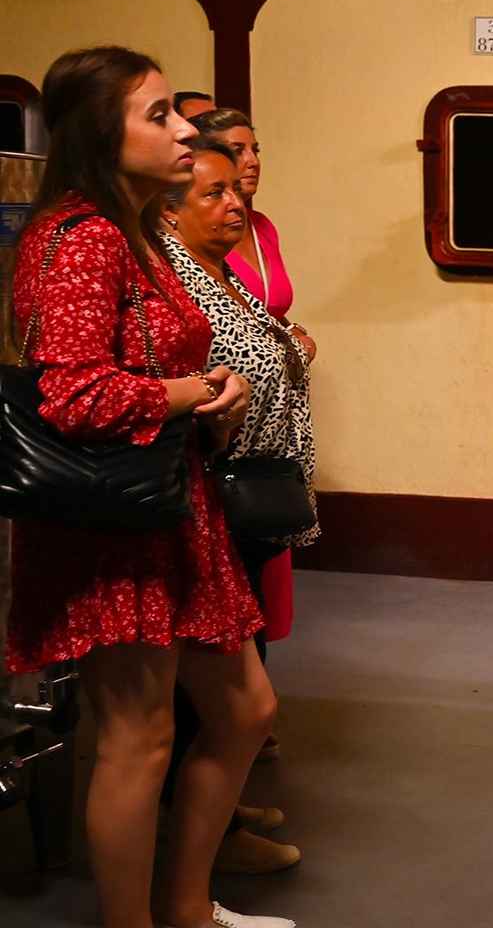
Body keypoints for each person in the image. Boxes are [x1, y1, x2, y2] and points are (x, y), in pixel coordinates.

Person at [6, 46, 295, 928]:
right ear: (103, 132)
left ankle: (189, 910)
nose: (184, 132)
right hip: (116, 525)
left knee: (245, 709)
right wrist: (192, 392)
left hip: (174, 508)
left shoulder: (130, 228)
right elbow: (74, 393)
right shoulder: (85, 237)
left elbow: (149, 362)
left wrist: (212, 394)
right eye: (159, 114)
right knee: (139, 738)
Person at [153, 137, 320, 875]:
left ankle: (218, 808)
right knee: (210, 693)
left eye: (235, 190)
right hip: (211, 499)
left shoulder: (220, 272)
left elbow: (269, 346)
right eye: (213, 193)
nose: (234, 204)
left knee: (246, 660)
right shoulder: (172, 280)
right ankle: (203, 841)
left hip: (251, 495)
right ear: (169, 210)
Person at [189, 109, 314, 762]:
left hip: (261, 471)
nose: (238, 191)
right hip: (216, 481)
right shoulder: (177, 274)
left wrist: (290, 342)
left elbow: (265, 323)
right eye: (216, 190)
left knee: (251, 622)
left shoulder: (230, 262)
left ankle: (231, 778)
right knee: (217, 654)